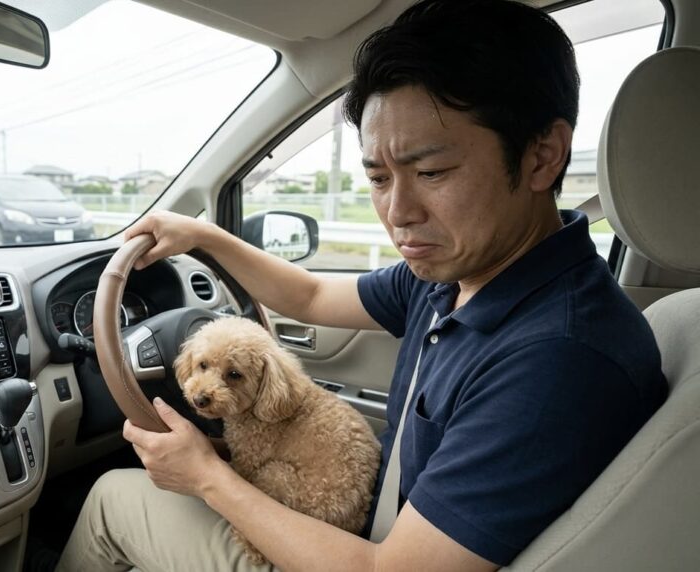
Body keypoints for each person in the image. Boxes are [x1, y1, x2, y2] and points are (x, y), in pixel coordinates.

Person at [56, 0, 668, 570]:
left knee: (112, 495)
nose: (398, 212)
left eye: (431, 171)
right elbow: (311, 298)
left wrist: (207, 477)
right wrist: (203, 236)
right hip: (378, 528)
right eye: (378, 177)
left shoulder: (556, 357)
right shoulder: (460, 275)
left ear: (542, 158)